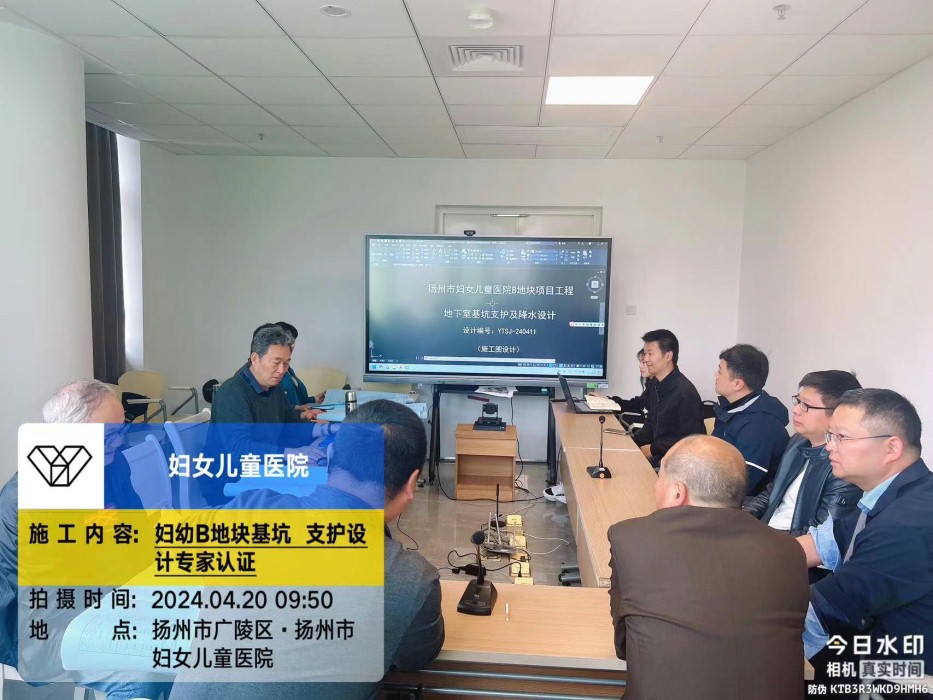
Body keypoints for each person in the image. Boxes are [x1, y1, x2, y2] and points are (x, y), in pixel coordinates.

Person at [168, 400, 444, 700]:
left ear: (329, 455)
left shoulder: (248, 509)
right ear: (411, 484)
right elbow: (415, 657)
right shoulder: (410, 579)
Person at [0, 380, 168, 699]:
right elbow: (55, 599)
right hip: (40, 630)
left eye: (121, 430)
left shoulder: (112, 463)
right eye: (108, 436)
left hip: (100, 597)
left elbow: (140, 538)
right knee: (141, 671)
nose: (119, 442)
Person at [608, 435, 809, 700]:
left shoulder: (629, 538)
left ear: (677, 492)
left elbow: (624, 646)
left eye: (660, 478)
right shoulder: (789, 550)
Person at [796, 389, 933, 681]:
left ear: (891, 448)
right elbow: (819, 545)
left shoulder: (908, 522)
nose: (829, 447)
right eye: (830, 436)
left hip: (902, 677)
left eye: (841, 437)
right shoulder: (889, 496)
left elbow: (822, 613)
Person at [206, 325, 334, 504]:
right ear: (255, 358)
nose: (282, 370)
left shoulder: (273, 387)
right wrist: (289, 454)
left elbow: (288, 419)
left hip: (264, 469)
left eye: (286, 363)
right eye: (276, 363)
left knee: (325, 483)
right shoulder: (233, 393)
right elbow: (239, 449)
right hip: (232, 481)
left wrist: (326, 430)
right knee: (312, 500)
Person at [745, 370, 863, 536]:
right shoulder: (798, 441)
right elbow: (773, 491)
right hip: (766, 531)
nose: (795, 410)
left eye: (806, 405)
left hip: (791, 543)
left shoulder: (844, 465)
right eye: (798, 401)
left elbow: (821, 534)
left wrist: (764, 539)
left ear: (838, 414)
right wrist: (743, 519)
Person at [711, 344, 790, 495]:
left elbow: (740, 485)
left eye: (720, 371)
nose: (716, 375)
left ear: (738, 384)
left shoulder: (760, 426)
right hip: (717, 481)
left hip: (746, 501)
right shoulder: (732, 407)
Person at [631, 329, 705, 466]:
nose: (645, 359)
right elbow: (651, 422)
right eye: (645, 354)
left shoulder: (685, 392)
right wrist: (632, 442)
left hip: (676, 463)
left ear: (668, 356)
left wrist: (653, 449)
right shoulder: (656, 384)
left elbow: (692, 440)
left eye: (650, 354)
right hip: (658, 456)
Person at [275, 321, 325, 420]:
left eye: (294, 340)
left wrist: (315, 399)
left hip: (301, 417)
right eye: (290, 340)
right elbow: (279, 407)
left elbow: (298, 399)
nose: (293, 345)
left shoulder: (289, 370)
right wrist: (298, 409)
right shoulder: (275, 374)